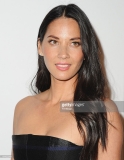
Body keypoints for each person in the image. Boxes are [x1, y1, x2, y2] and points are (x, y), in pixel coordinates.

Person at [11, 4, 123, 160]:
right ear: (40, 47)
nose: (63, 54)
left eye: (74, 43)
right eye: (54, 42)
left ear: (86, 51)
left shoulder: (102, 111)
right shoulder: (23, 107)